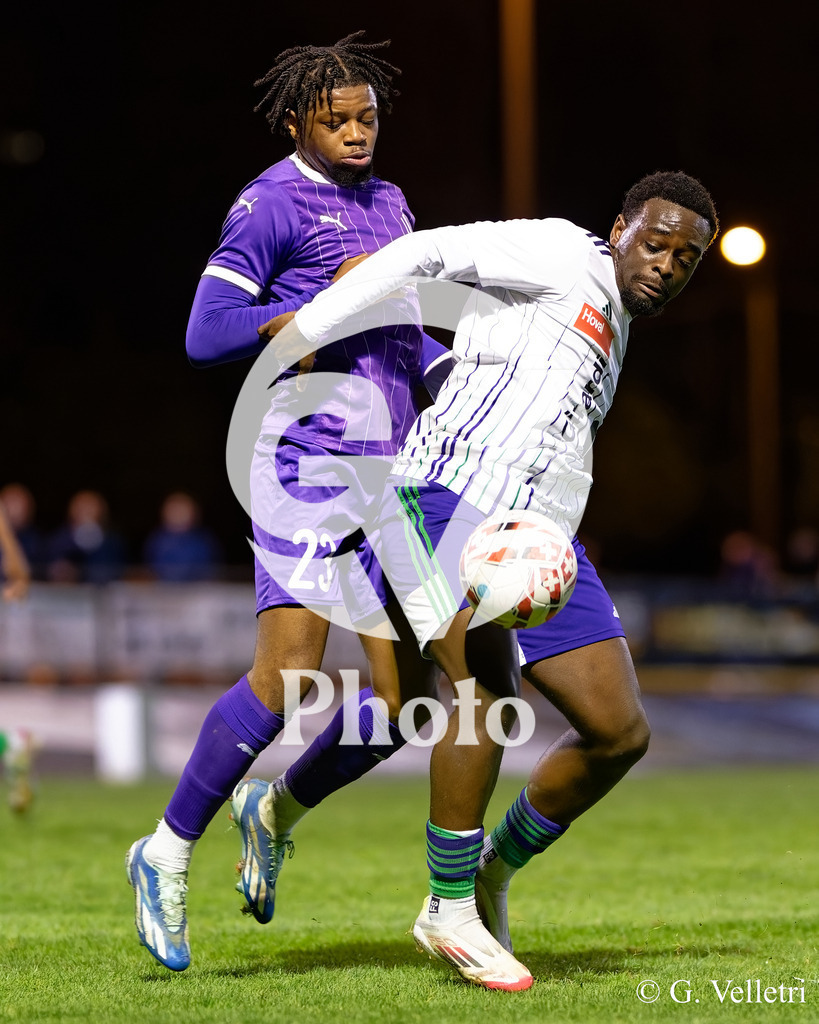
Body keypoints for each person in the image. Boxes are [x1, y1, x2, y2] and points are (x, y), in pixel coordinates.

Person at [272, 170, 719, 990]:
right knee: (482, 692)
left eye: (685, 258)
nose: (666, 263)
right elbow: (425, 253)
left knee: (618, 732)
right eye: (655, 243)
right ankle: (445, 907)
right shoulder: (556, 250)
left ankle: (485, 872)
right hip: (442, 495)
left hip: (539, 540)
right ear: (619, 228)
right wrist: (305, 329)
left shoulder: (615, 328)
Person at [126, 32, 445, 972]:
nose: (356, 133)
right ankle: (167, 848)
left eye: (368, 117)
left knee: (406, 704)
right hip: (306, 458)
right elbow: (204, 331)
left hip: (389, 470)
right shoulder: (270, 202)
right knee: (289, 679)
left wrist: (457, 371)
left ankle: (275, 807)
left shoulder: (390, 204)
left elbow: (407, 333)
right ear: (297, 120)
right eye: (336, 119)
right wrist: (297, 320)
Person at [143, 492, 222, 582]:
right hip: (164, 590)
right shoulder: (156, 540)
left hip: (198, 590)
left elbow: (212, 570)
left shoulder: (204, 541)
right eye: (174, 510)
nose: (178, 515)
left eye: (183, 511)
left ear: (194, 513)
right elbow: (150, 569)